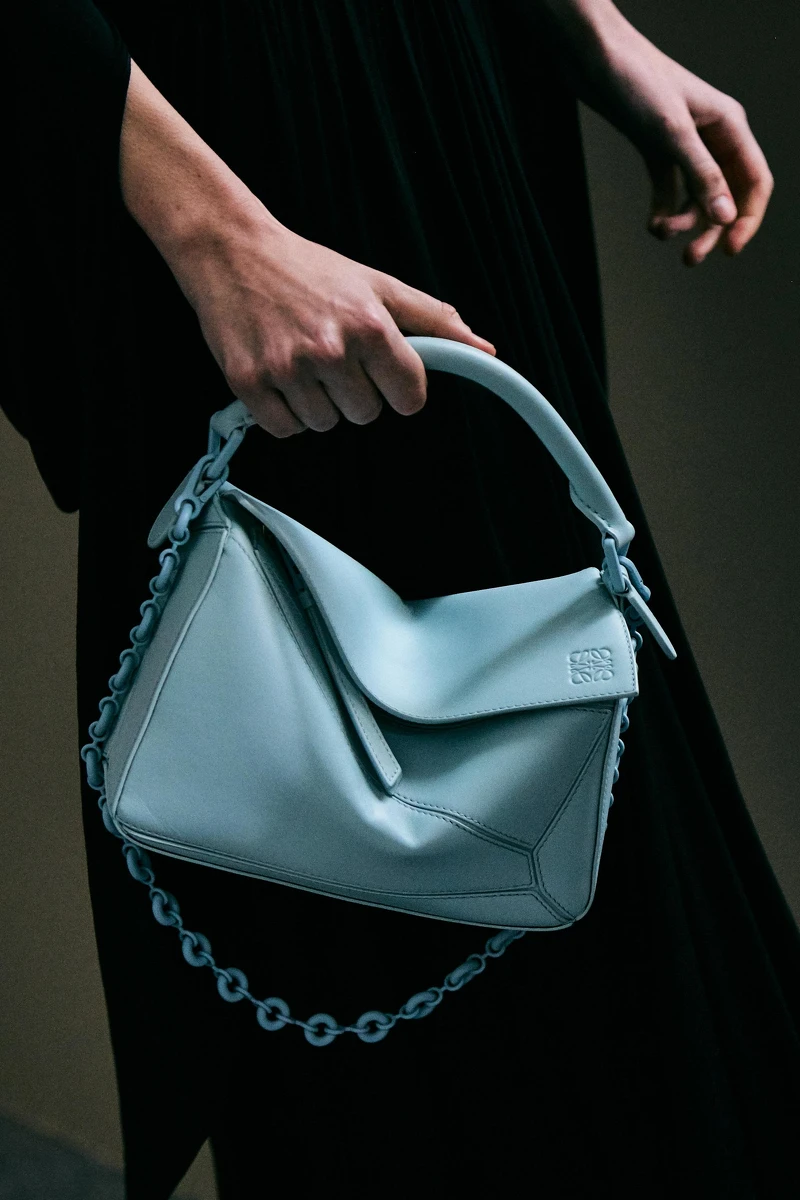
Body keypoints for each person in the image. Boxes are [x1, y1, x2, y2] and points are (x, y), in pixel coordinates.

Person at [6, 1, 798, 1196]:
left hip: (444, 83)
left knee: (586, 862)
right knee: (328, 860)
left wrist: (585, 27)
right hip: (233, 135)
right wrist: (218, 233)